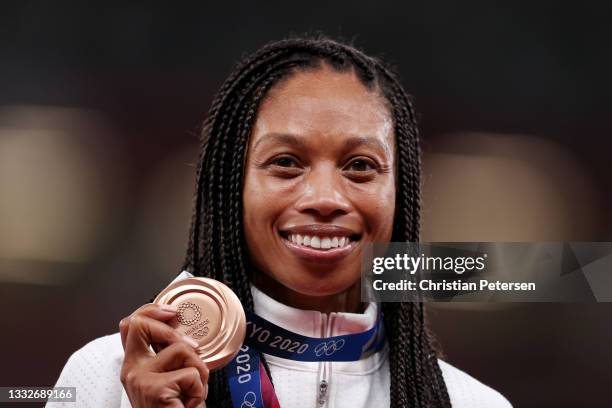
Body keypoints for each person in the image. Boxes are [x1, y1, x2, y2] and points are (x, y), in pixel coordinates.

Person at [50, 36, 512, 408]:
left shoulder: (470, 403)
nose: (326, 198)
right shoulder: (109, 378)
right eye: (287, 162)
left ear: (400, 194)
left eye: (360, 166)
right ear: (232, 186)